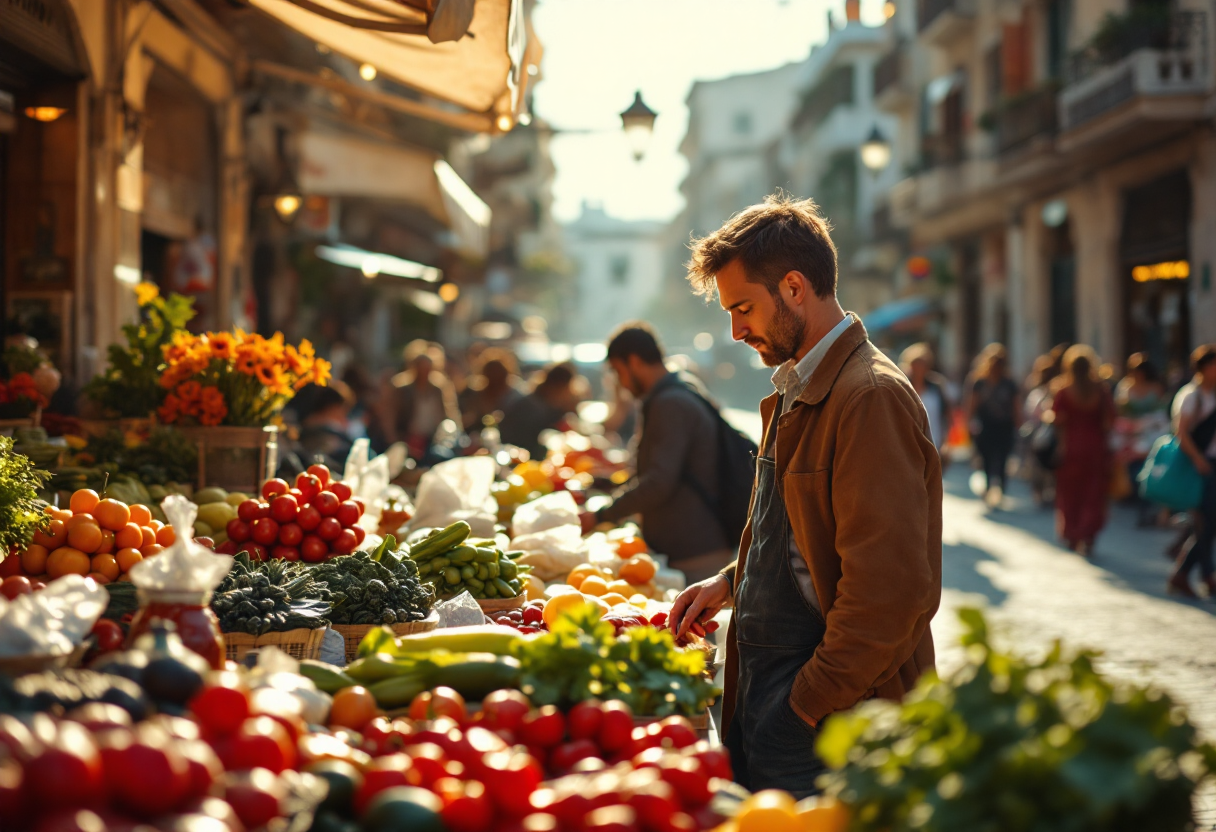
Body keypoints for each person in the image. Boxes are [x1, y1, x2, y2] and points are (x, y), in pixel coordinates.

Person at [668, 194, 941, 797]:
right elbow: (802, 536)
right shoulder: (799, 386)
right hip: (778, 697)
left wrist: (803, 708)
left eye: (743, 308)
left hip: (827, 720)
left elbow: (888, 594)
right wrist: (732, 581)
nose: (736, 331)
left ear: (794, 287)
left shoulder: (868, 397)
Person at [578, 324, 734, 580]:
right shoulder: (677, 390)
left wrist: (600, 516)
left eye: (619, 372)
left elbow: (659, 481)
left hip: (694, 552)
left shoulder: (670, 403)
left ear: (635, 361)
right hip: (690, 545)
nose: (621, 383)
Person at [1049, 346, 1115, 556]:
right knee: (1093, 492)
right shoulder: (1100, 390)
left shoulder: (1063, 390)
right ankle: (1088, 534)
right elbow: (1110, 420)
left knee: (1070, 493)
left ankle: (1072, 533)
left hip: (1070, 447)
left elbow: (1057, 419)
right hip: (1095, 447)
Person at [1167, 345, 1216, 598]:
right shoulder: (1191, 396)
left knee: (1208, 523)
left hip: (1212, 463)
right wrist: (1198, 459)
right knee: (1206, 522)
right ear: (1205, 367)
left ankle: (1184, 573)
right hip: (1199, 466)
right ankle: (1207, 575)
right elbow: (1182, 434)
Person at [387, 340, 462, 464]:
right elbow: (391, 414)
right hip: (407, 437)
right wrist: (394, 438)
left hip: (431, 439)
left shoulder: (439, 387)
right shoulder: (402, 388)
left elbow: (450, 412)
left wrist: (455, 432)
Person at [966, 344, 1020, 508]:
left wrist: (1019, 426)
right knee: (986, 459)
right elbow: (971, 405)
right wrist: (968, 425)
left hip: (1005, 428)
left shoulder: (1009, 384)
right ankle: (989, 487)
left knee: (1003, 459)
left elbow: (1016, 407)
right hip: (985, 428)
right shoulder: (979, 383)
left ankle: (1001, 488)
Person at [498, 362, 582, 461]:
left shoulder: (539, 402)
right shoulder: (532, 408)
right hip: (518, 458)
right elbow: (536, 444)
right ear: (559, 387)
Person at [1021, 354, 1061, 508]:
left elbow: (1030, 412)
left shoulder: (1039, 393)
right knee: (1046, 465)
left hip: (1041, 435)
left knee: (1039, 466)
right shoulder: (1049, 392)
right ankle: (1047, 492)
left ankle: (1040, 492)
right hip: (1045, 434)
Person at [900, 343, 951, 458]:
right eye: (916, 364)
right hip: (908, 444)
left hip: (934, 442)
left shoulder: (937, 387)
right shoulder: (902, 387)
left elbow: (947, 415)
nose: (919, 368)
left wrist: (947, 442)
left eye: (922, 364)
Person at [459, 348, 525, 431]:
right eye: (491, 373)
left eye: (499, 374)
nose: (495, 379)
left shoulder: (516, 397)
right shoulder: (474, 396)